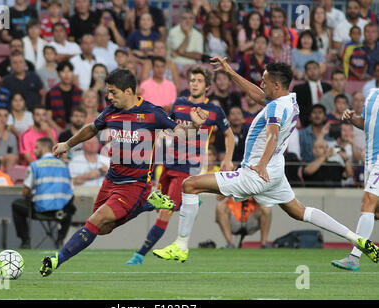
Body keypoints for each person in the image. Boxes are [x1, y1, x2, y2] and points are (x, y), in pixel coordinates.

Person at [151, 57, 379, 264]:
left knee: (190, 184)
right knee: (299, 211)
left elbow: (272, 133)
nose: (261, 84)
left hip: (256, 173)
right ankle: (357, 239)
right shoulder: (288, 100)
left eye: (264, 81)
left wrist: (260, 165)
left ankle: (180, 246)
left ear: (276, 85)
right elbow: (258, 96)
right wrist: (230, 72)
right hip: (275, 171)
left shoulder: (277, 107)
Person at [39, 68, 209, 277]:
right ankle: (147, 203)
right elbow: (92, 128)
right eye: (108, 92)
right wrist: (68, 144)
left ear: (128, 91)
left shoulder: (152, 113)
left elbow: (181, 135)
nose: (109, 97)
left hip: (134, 185)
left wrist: (194, 125)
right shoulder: (111, 111)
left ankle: (56, 260)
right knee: (103, 228)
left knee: (95, 221)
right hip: (111, 181)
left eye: (113, 92)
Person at [126, 65, 235, 266]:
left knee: (164, 210)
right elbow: (166, 124)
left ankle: (139, 255)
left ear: (208, 86)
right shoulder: (179, 104)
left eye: (199, 81)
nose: (194, 84)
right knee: (153, 203)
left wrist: (227, 159)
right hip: (168, 163)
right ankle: (186, 203)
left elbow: (229, 135)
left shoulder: (214, 111)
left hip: (189, 168)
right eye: (192, 80)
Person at [331, 88, 379, 270]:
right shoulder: (372, 94)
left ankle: (354, 257)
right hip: (370, 161)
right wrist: (352, 119)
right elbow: (367, 124)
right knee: (375, 211)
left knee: (367, 203)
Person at [12, 137, 76, 249]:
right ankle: (60, 240)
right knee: (71, 207)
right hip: (61, 212)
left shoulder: (35, 165)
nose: (34, 151)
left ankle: (25, 241)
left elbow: (25, 191)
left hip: (39, 209)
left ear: (44, 147)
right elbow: (71, 193)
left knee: (16, 205)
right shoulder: (65, 166)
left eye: (36, 147)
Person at [46, 60, 83, 133]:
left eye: (69, 71)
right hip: (57, 127)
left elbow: (84, 113)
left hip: (78, 127)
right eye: (63, 71)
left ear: (72, 73)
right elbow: (48, 117)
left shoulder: (79, 92)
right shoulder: (51, 93)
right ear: (58, 74)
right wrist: (59, 129)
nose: (66, 75)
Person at [292, 61, 331, 128]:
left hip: (328, 119)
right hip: (308, 120)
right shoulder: (299, 89)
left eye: (315, 68)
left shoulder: (328, 87)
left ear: (319, 70)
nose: (312, 71)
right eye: (309, 69)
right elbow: (299, 108)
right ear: (306, 73)